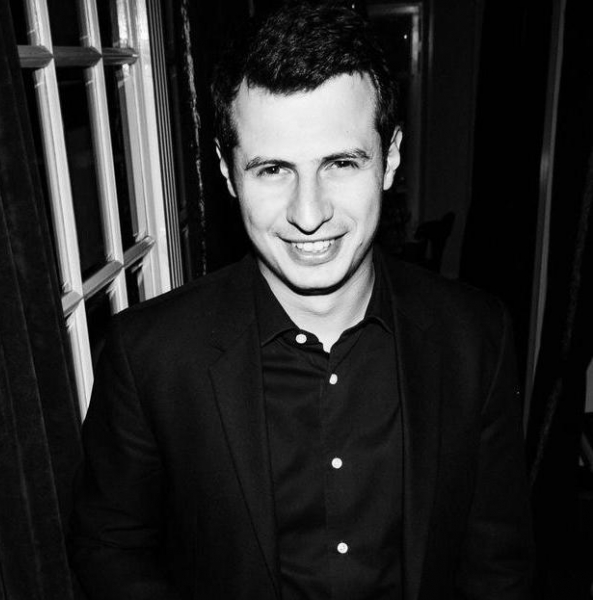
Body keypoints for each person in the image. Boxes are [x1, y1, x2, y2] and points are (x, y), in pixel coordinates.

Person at [69, 2, 534, 599]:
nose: (308, 214)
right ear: (228, 172)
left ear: (390, 157)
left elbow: (498, 562)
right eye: (272, 170)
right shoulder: (148, 355)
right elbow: (110, 547)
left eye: (340, 163)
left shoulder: (476, 335)